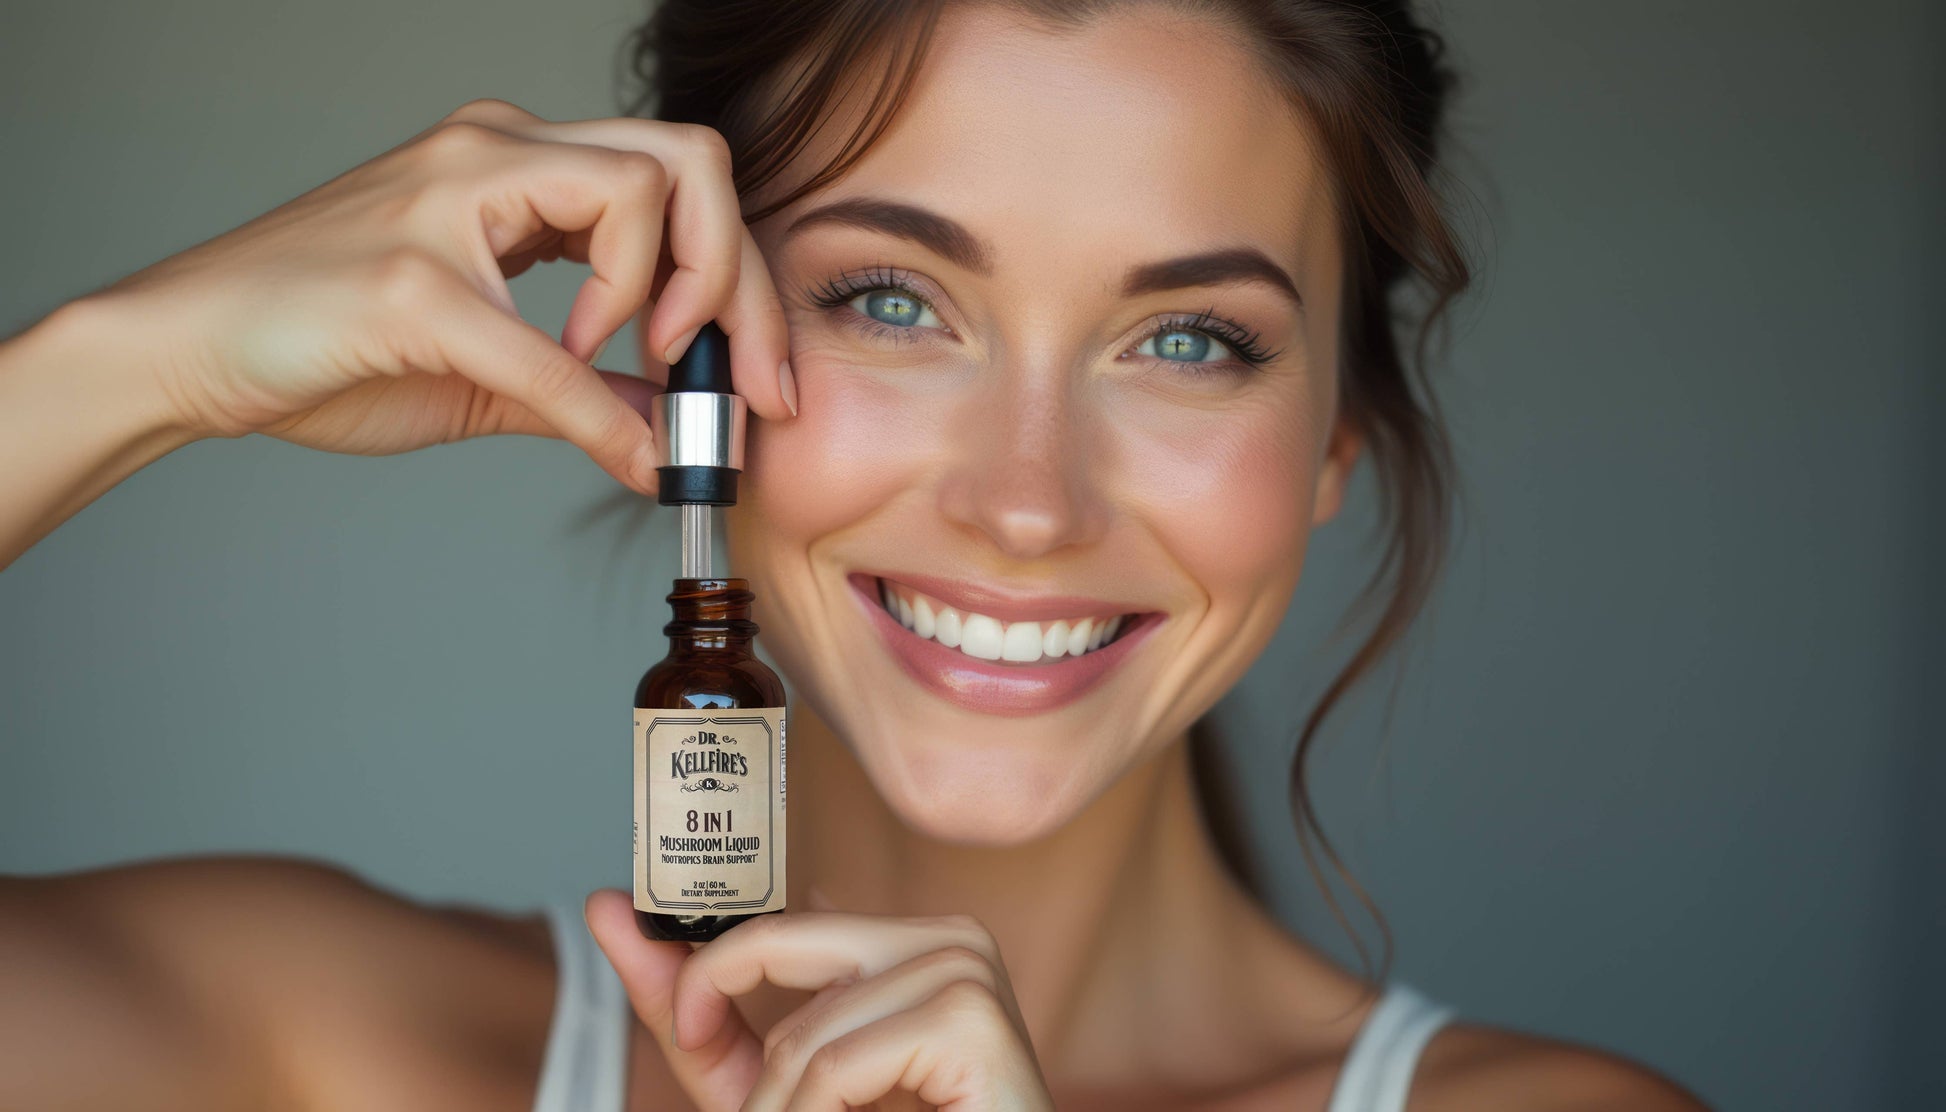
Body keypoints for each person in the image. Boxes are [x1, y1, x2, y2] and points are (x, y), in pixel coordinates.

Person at [0, 1, 1710, 1109]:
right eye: (891, 302)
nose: (1027, 503)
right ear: (700, 359)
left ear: (1335, 437)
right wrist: (114, 367)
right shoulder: (312, 1053)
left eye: (1189, 339)